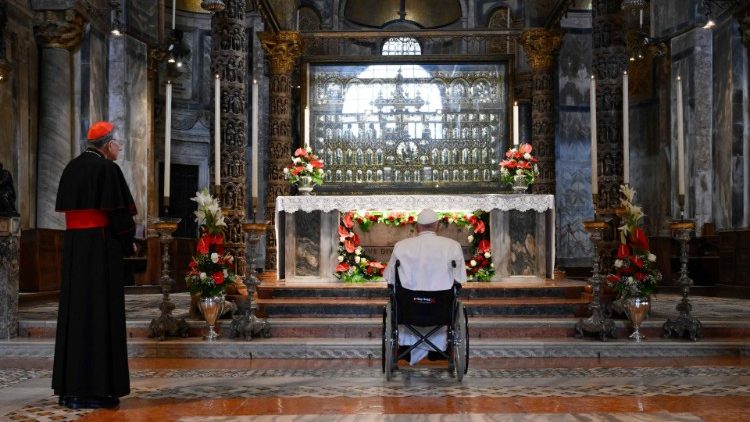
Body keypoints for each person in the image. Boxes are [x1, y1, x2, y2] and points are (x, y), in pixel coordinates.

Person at [52, 121, 137, 409]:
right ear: (107, 144)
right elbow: (120, 218)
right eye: (118, 143)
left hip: (75, 250)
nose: (120, 148)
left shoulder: (71, 167)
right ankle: (97, 391)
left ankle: (69, 390)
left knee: (76, 315)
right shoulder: (107, 169)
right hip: (101, 250)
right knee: (100, 314)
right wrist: (129, 245)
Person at [383, 208, 466, 365]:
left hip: (409, 310)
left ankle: (406, 348)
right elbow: (460, 279)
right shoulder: (452, 246)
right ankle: (439, 348)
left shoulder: (401, 246)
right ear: (437, 226)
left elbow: (390, 280)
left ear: (416, 226)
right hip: (441, 310)